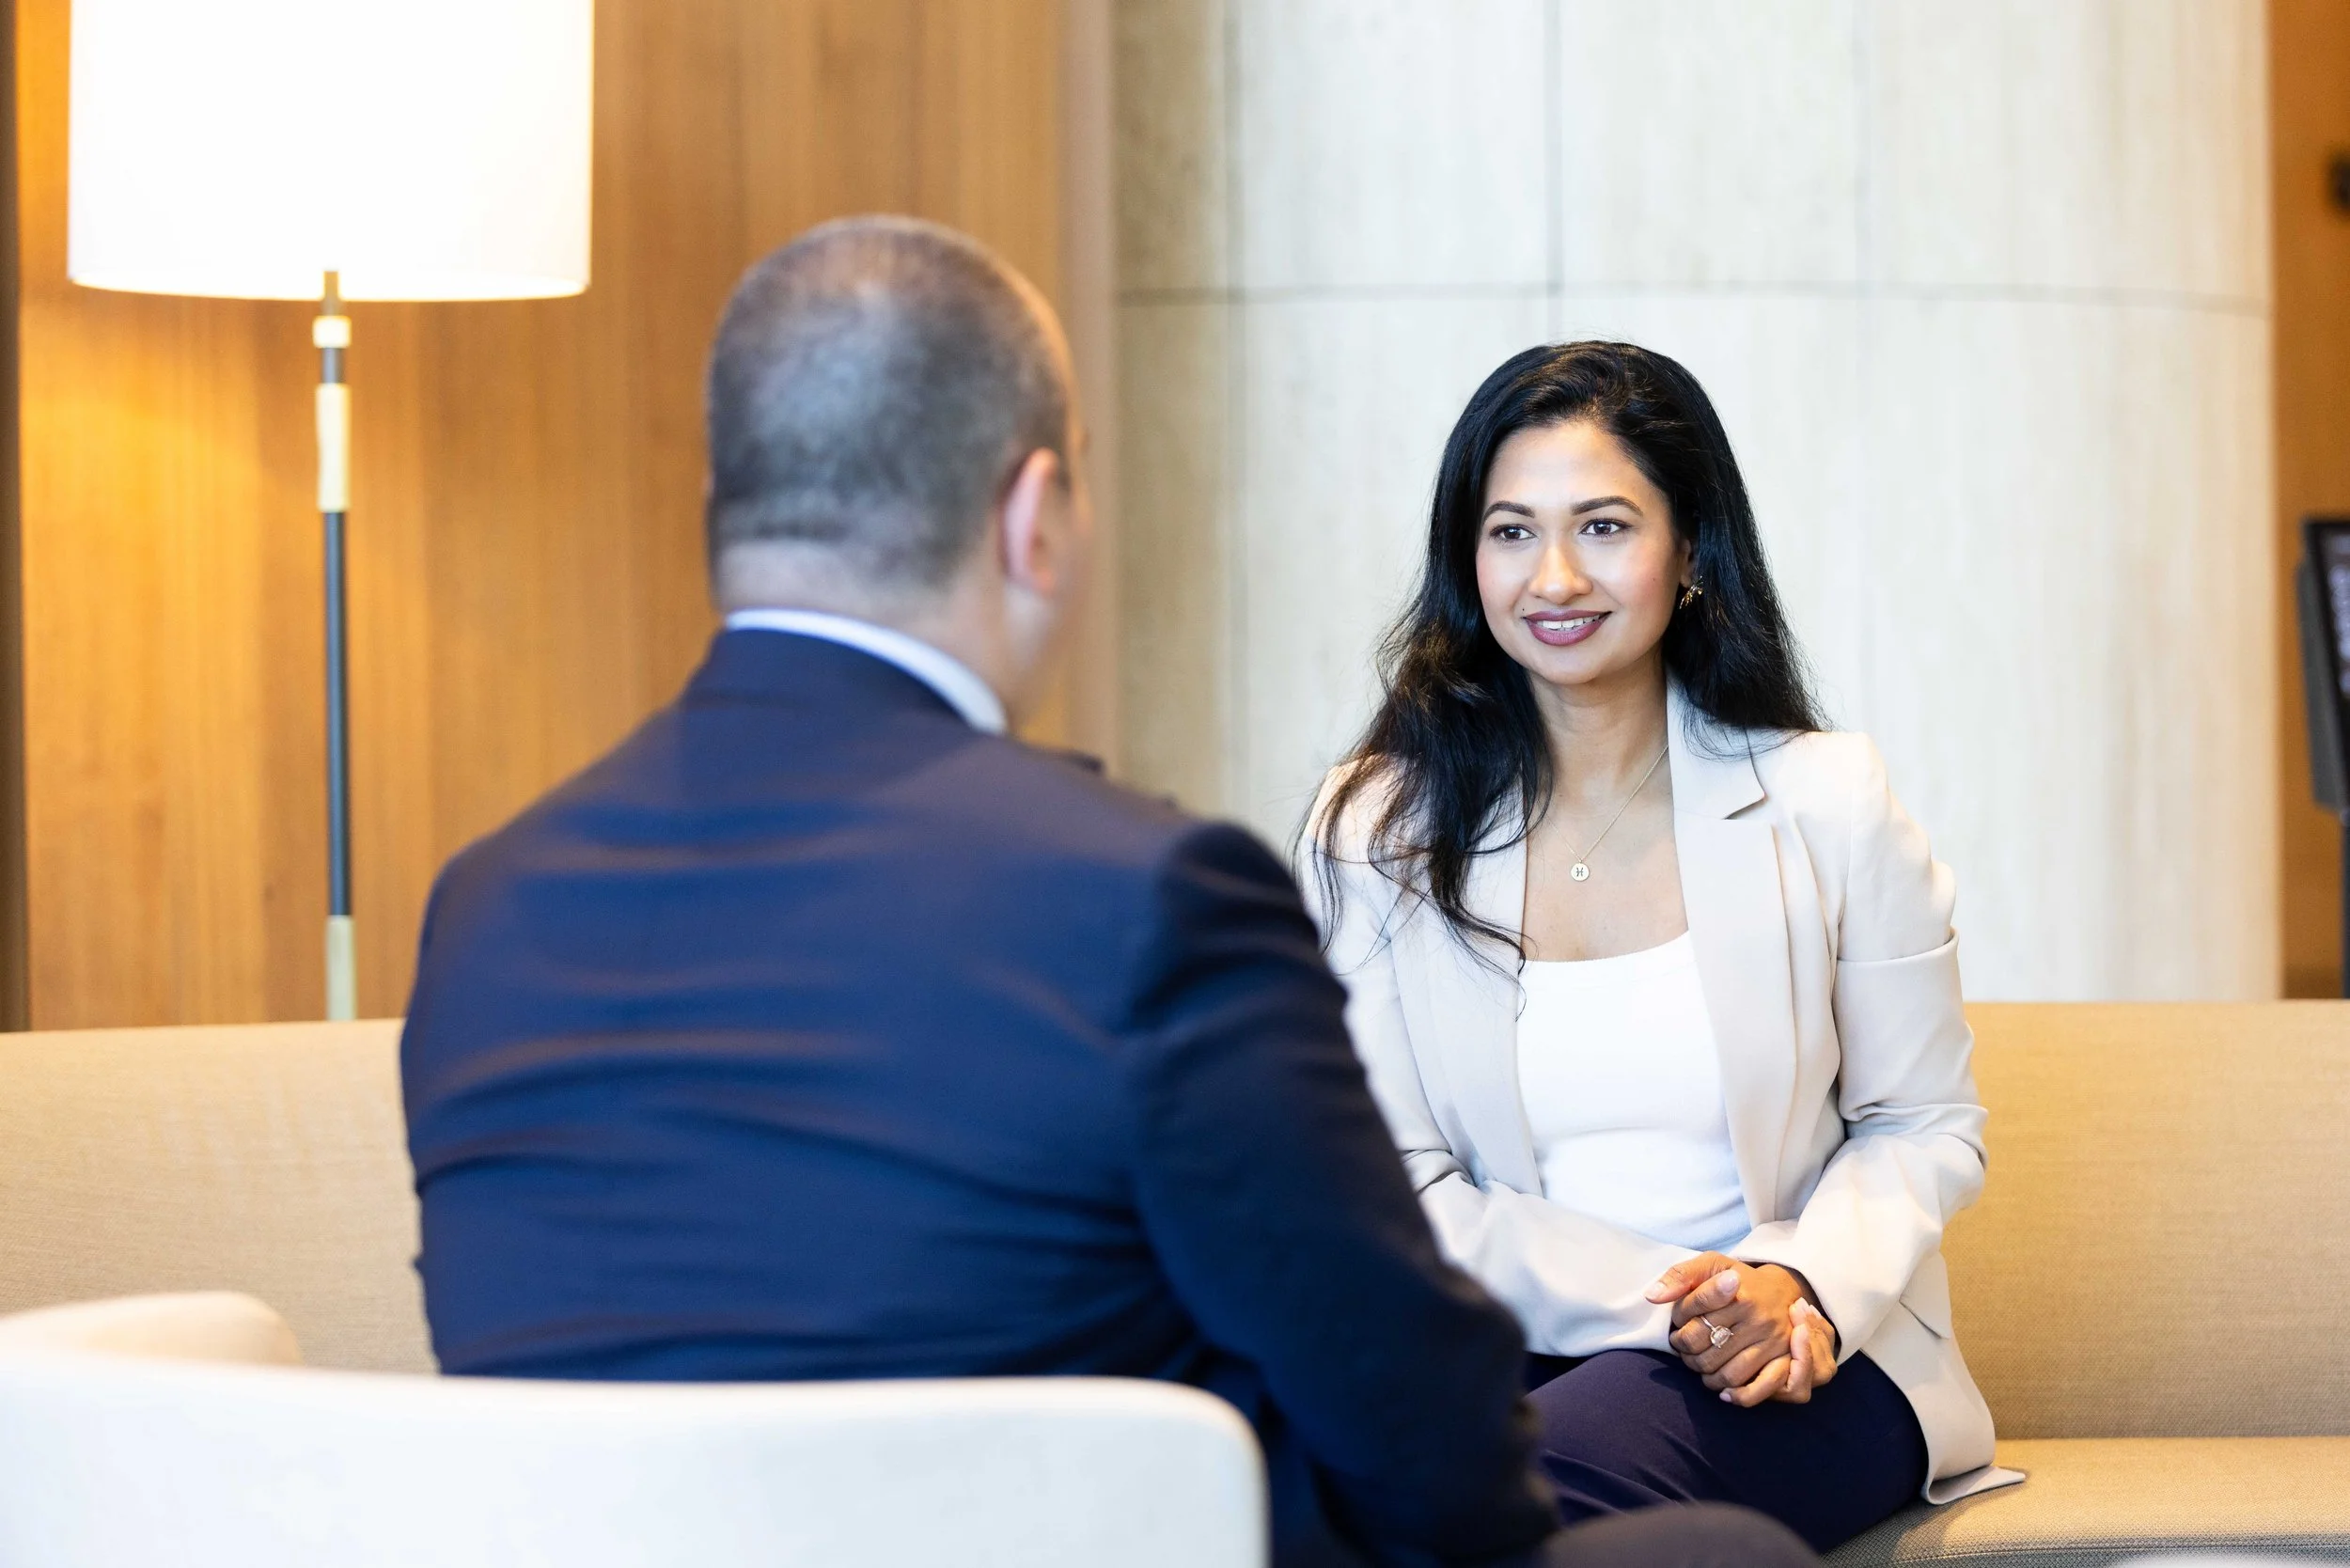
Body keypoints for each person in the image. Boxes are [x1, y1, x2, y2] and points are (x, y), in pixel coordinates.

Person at [400, 221, 1815, 1568]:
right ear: (1036, 516)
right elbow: (1403, 1395)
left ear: (726, 510)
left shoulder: (482, 910)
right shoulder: (1143, 897)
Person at [1300, 341, 2024, 1553]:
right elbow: (1401, 1185)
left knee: (1511, 1495)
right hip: (1506, 1338)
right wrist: (1684, 1305)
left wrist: (1788, 1291)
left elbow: (1923, 1124)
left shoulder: (1826, 802)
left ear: (1690, 551)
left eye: (1605, 525)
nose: (1556, 576)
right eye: (1512, 531)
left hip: (1803, 1358)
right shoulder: (1372, 829)